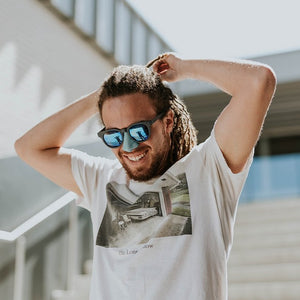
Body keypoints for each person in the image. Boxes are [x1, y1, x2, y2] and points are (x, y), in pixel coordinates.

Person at [15, 53, 276, 300]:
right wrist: (99, 98)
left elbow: (258, 82)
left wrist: (185, 67)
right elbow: (28, 147)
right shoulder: (100, 179)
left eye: (138, 131)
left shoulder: (209, 170)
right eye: (114, 136)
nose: (128, 147)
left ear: (168, 121)